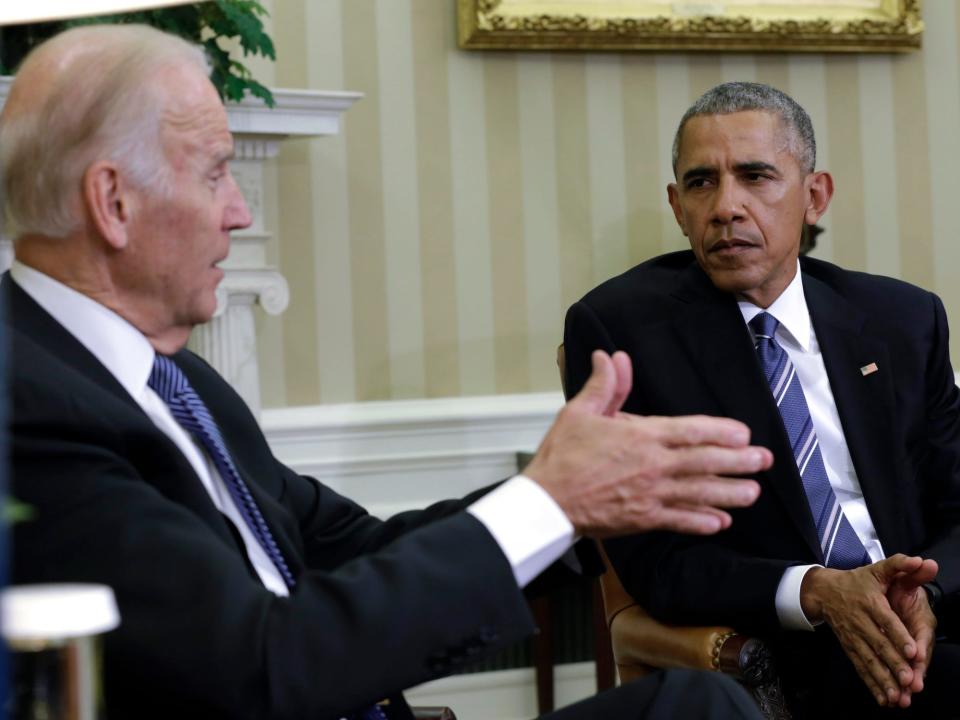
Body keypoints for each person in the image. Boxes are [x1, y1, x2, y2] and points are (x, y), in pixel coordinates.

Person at [0, 26, 774, 720]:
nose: (238, 211)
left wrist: (575, 511)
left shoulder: (179, 385)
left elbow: (359, 546)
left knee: (693, 703)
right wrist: (551, 499)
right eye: (215, 174)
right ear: (113, 202)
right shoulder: (26, 405)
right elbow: (255, 667)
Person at [564, 81, 960, 719]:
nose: (726, 206)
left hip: (927, 620)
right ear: (676, 206)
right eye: (701, 183)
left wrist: (928, 598)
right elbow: (659, 562)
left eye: (755, 176)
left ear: (814, 195)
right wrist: (819, 591)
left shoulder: (901, 318)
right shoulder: (623, 334)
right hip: (791, 646)